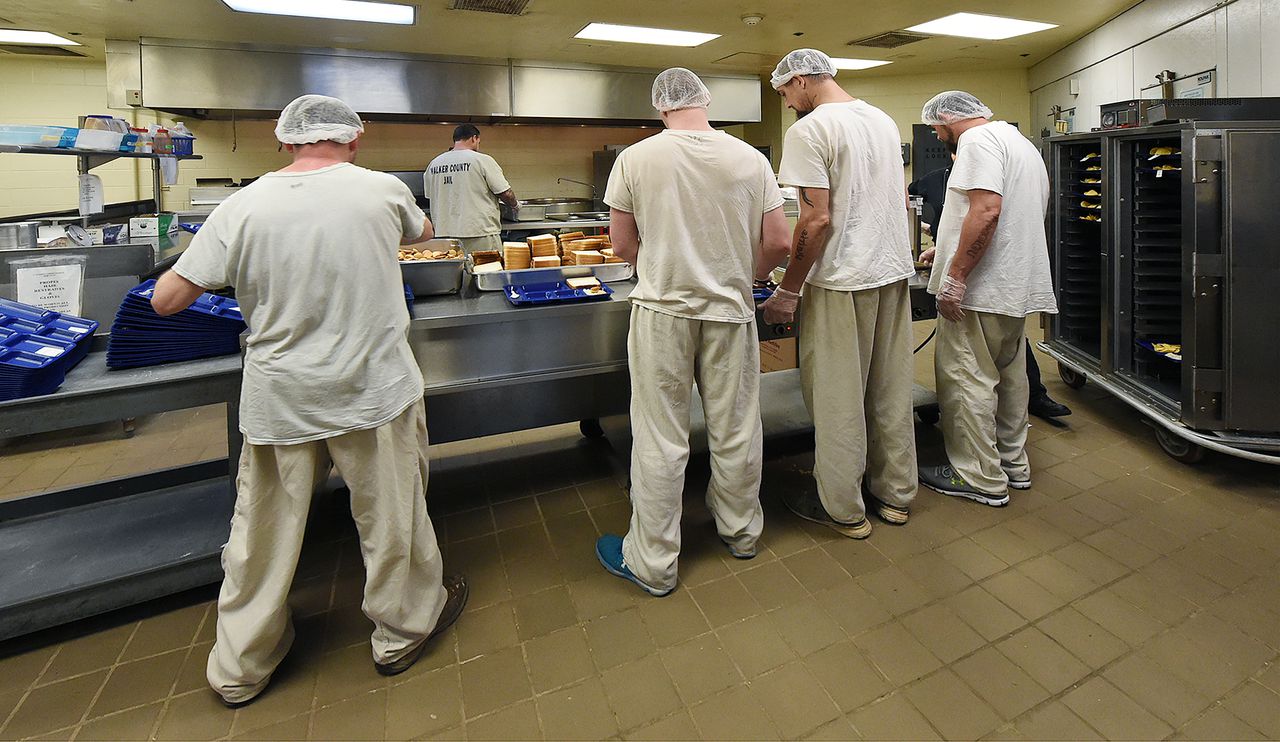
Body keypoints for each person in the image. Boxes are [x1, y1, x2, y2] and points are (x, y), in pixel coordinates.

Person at [150, 94, 467, 707]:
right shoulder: (379, 190)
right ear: (354, 139)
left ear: (285, 141)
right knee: (391, 518)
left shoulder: (243, 205)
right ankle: (401, 634)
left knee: (261, 535)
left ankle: (242, 666)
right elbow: (426, 235)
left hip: (281, 396)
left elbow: (167, 300)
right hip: (373, 389)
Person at [595, 68, 791, 596]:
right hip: (731, 312)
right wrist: (738, 271)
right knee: (737, 424)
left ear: (661, 106)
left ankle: (653, 561)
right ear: (705, 102)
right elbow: (778, 241)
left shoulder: (635, 158)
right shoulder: (750, 158)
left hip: (662, 312)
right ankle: (742, 530)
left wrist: (664, 261)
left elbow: (619, 245)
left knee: (661, 435)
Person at [759, 49, 919, 539]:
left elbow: (816, 218)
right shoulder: (882, 120)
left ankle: (845, 508)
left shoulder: (809, 130)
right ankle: (895, 494)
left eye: (785, 92)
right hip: (891, 275)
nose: (787, 103)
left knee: (837, 397)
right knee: (890, 389)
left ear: (803, 80)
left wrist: (788, 290)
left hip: (840, 281)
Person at [915, 91, 1058, 507]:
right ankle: (1013, 464)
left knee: (967, 377)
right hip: (1013, 285)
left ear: (947, 117)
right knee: (1010, 377)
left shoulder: (975, 142)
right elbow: (1006, 214)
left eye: (935, 127)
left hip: (980, 290)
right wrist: (944, 250)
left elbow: (987, 211)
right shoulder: (1019, 143)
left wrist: (956, 275)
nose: (937, 135)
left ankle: (977, 475)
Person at [912, 158, 1073, 421]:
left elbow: (987, 218)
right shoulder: (933, 180)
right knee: (981, 364)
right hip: (958, 266)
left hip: (989, 276)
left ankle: (1033, 397)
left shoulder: (994, 178)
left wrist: (956, 276)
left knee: (998, 354)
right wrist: (940, 249)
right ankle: (990, 423)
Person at [423, 124, 518, 253]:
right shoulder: (482, 160)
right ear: (474, 138)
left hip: (445, 235)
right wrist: (515, 205)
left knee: (455, 272)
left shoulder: (434, 164)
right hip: (479, 233)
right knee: (486, 270)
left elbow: (430, 196)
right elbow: (505, 193)